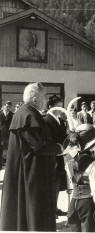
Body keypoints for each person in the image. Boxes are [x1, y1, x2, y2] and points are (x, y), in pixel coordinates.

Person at [0, 83, 63, 231]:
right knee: (35, 216)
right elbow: (39, 147)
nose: (46, 100)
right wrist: (60, 148)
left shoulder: (26, 113)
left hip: (27, 172)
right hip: (31, 175)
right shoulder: (28, 115)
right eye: (44, 96)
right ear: (35, 99)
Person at [63, 124, 95, 232]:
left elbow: (73, 182)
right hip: (88, 205)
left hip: (73, 204)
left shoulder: (68, 159)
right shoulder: (93, 163)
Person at [44, 95, 68, 218]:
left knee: (57, 184)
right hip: (52, 158)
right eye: (58, 106)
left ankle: (54, 208)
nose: (61, 109)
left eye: (61, 106)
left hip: (60, 156)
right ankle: (49, 210)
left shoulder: (60, 121)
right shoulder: (46, 120)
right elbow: (48, 141)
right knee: (52, 185)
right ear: (50, 107)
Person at [0, 101, 14, 169]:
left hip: (8, 134)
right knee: (1, 148)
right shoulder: (0, 113)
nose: (8, 107)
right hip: (1, 134)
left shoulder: (12, 114)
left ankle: (7, 163)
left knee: (8, 148)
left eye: (9, 107)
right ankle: (1, 162)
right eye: (7, 106)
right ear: (4, 106)